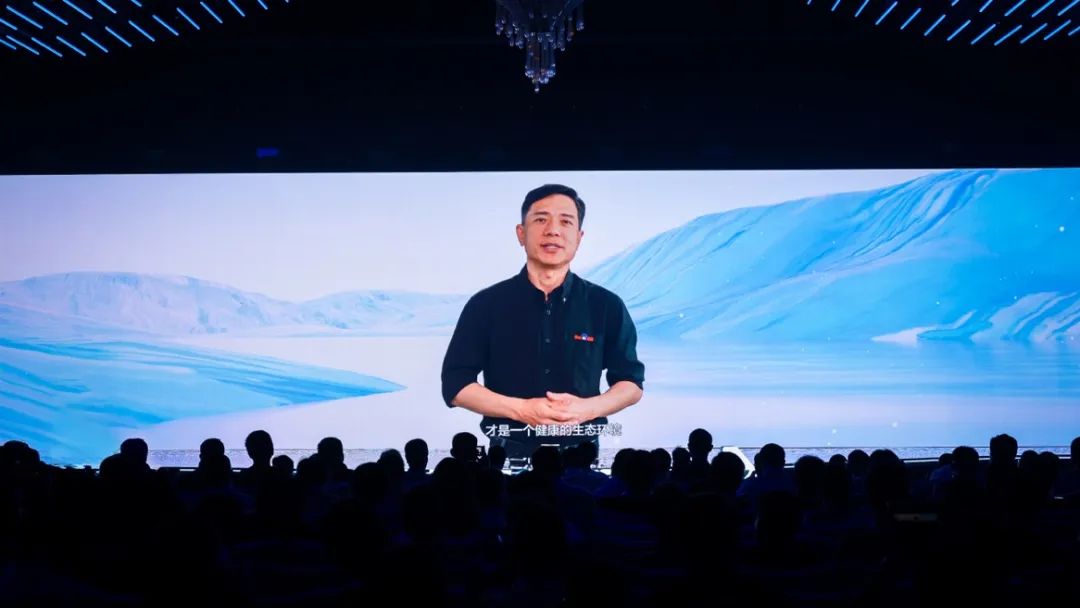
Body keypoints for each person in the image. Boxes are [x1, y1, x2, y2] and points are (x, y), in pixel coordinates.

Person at [441, 184, 645, 459]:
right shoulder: (486, 304)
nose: (553, 230)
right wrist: (522, 410)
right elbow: (455, 384)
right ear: (521, 233)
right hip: (507, 456)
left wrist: (588, 409)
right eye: (541, 220)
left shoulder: (606, 305)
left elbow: (630, 383)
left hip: (582, 457)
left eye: (565, 221)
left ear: (579, 237)